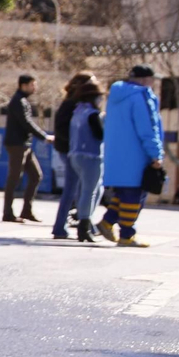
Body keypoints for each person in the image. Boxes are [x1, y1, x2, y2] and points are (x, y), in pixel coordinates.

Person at [96, 65, 165, 248]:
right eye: (152, 80)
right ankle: (127, 235)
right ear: (145, 80)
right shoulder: (140, 96)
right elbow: (147, 128)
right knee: (134, 197)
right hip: (137, 156)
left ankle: (107, 223)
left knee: (123, 195)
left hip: (117, 155)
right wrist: (155, 154)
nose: (153, 84)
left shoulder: (116, 96)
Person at [50, 71, 96, 239]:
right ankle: (61, 227)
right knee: (72, 189)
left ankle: (81, 224)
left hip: (72, 150)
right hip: (70, 151)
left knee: (80, 189)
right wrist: (75, 142)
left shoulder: (77, 103)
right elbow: (62, 129)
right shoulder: (71, 104)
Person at [2, 74, 49, 223]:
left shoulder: (22, 101)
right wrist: (44, 136)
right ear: (23, 85)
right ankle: (7, 213)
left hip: (24, 144)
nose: (34, 88)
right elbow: (26, 123)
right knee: (14, 178)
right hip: (17, 145)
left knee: (36, 175)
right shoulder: (18, 101)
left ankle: (26, 211)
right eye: (32, 85)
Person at [67, 80, 105, 243]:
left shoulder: (78, 112)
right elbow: (100, 135)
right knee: (90, 192)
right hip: (91, 156)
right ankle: (84, 226)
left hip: (75, 155)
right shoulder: (92, 114)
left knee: (89, 191)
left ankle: (85, 221)